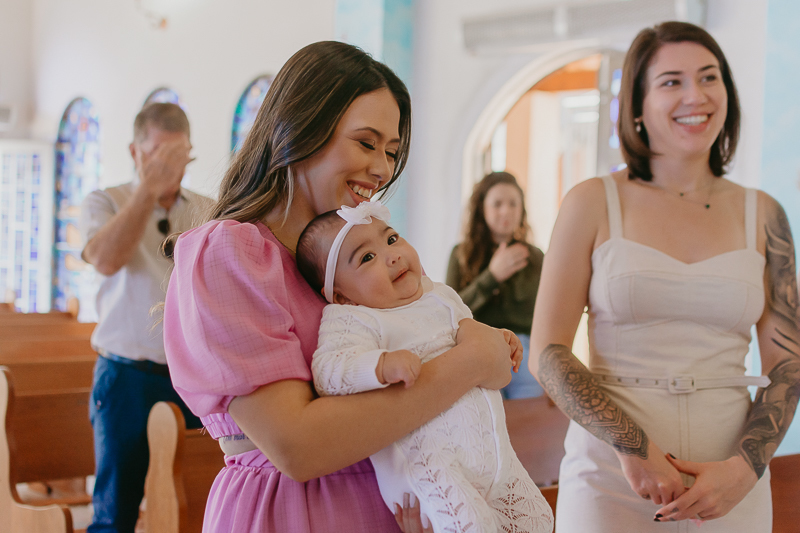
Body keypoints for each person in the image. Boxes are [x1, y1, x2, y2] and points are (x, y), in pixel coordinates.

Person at [162, 41, 517, 533]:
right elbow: (299, 447)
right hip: (294, 509)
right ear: (301, 127)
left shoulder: (351, 260)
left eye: (391, 152)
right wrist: (469, 363)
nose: (383, 168)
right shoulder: (231, 251)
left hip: (392, 504)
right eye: (366, 143)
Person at [529, 21, 800, 532]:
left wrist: (744, 471)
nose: (694, 95)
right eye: (671, 81)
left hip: (729, 484)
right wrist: (635, 450)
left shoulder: (764, 214)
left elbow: (788, 363)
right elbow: (549, 352)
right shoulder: (591, 201)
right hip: (613, 477)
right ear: (637, 103)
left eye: (709, 77)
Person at [294, 202, 554, 533]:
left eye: (391, 239)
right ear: (341, 295)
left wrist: (500, 337)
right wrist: (380, 365)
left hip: (494, 455)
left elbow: (470, 333)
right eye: (367, 258)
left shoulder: (439, 295)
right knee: (471, 527)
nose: (392, 256)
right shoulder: (354, 318)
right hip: (432, 467)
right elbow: (329, 372)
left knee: (540, 520)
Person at [79, 102, 213, 533]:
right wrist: (146, 192)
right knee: (115, 512)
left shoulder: (208, 209)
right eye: (158, 155)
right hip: (125, 378)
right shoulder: (105, 200)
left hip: (192, 377)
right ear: (135, 153)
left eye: (177, 156)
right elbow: (104, 259)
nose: (169, 168)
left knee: (195, 502)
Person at [446, 171, 545, 399]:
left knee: (531, 422)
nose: (506, 211)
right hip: (480, 351)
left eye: (513, 204)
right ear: (482, 208)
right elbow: (449, 312)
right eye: (497, 204)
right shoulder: (460, 255)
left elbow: (548, 313)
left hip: (527, 354)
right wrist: (492, 276)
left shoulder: (536, 257)